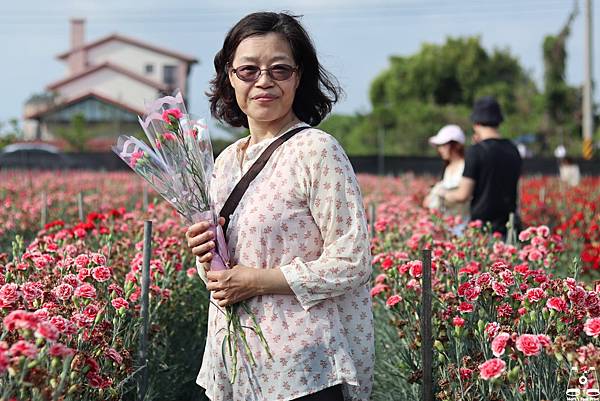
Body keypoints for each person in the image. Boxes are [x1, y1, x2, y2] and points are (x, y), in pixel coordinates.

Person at [185, 12, 373, 401]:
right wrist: (206, 254)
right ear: (229, 77)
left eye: (280, 69)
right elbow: (219, 279)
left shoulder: (316, 151)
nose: (264, 81)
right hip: (235, 365)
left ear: (299, 76)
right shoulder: (224, 162)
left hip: (302, 369)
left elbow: (352, 260)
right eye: (249, 70)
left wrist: (257, 281)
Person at [442, 96, 522, 236]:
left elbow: (463, 195)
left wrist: (444, 195)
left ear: (476, 123)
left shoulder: (476, 151)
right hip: (510, 228)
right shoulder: (513, 149)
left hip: (484, 228)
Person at [422, 124, 470, 224]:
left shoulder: (466, 166)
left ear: (456, 145)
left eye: (444, 145)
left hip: (462, 221)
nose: (440, 149)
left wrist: (441, 194)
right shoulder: (448, 168)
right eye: (439, 146)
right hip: (448, 221)